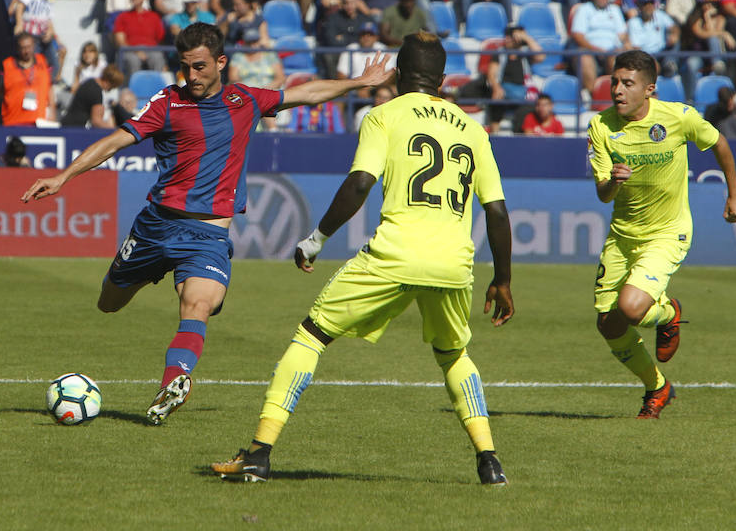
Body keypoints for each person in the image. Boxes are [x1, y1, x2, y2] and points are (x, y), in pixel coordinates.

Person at [21, 22, 393, 425]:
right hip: (155, 226)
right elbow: (115, 141)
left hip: (208, 234)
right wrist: (63, 177)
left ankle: (174, 381)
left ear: (220, 62)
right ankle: (153, 292)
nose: (191, 76)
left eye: (199, 67)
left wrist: (360, 82)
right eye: (185, 68)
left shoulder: (245, 99)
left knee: (198, 305)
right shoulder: (167, 103)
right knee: (108, 303)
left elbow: (307, 93)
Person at [211, 30, 514, 486]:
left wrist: (316, 239)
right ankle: (489, 461)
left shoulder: (383, 115)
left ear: (394, 74)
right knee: (453, 353)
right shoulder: (474, 128)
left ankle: (259, 453)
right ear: (443, 78)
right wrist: (503, 280)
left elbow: (359, 183)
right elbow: (496, 210)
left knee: (312, 336)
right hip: (454, 262)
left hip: (394, 255)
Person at [586, 49, 736, 419]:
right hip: (623, 236)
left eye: (628, 84)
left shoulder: (678, 117)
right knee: (608, 324)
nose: (618, 91)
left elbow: (719, 143)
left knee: (631, 308)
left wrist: (734, 193)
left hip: (667, 232)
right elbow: (602, 193)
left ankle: (669, 312)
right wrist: (613, 181)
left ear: (649, 89)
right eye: (614, 83)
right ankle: (658, 387)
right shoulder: (601, 126)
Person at [570, 0, 630, 94]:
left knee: (619, 57)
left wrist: (625, 44)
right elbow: (578, 36)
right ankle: (594, 95)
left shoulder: (615, 10)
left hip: (612, 51)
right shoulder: (584, 9)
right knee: (583, 57)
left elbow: (623, 34)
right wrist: (596, 50)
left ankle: (616, 93)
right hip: (591, 50)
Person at [9, 0, 66, 82]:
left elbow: (48, 20)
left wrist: (52, 34)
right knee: (32, 63)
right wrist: (19, 23)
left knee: (54, 64)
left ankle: (47, 84)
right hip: (30, 35)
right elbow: (20, 6)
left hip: (44, 36)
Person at [0, 33, 56, 126]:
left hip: (39, 120)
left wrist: (52, 109)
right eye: (23, 48)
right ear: (17, 48)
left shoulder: (43, 61)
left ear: (34, 46)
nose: (26, 51)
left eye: (29, 47)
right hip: (13, 120)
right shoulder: (7, 65)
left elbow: (49, 87)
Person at [113, 0, 168, 77]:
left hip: (151, 49)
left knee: (157, 57)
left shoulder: (153, 16)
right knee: (132, 60)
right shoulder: (123, 16)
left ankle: (156, 88)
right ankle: (134, 89)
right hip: (131, 50)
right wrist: (135, 51)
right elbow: (120, 41)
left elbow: (161, 39)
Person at [62, 64, 127, 127]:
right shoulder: (96, 92)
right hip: (76, 127)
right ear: (109, 82)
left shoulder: (90, 82)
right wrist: (112, 131)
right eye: (113, 86)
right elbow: (96, 121)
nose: (111, 90)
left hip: (69, 123)